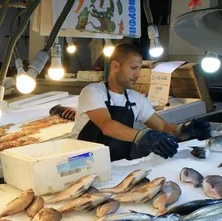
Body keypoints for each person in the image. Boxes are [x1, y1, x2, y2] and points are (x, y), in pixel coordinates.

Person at [72, 43, 211, 161]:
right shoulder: (93, 92)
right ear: (115, 66)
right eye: (133, 68)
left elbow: (163, 127)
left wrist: (184, 130)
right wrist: (142, 136)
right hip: (84, 162)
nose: (138, 74)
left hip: (118, 165)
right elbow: (107, 126)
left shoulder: (136, 99)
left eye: (139, 68)